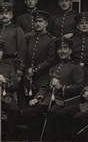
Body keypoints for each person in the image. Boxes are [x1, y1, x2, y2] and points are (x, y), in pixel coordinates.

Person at [23, 10, 56, 140]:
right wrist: (27, 73)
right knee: (29, 110)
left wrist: (35, 70)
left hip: (43, 79)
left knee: (39, 111)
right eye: (36, 21)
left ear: (46, 23)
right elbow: (26, 58)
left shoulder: (51, 40)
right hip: (30, 81)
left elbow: (51, 60)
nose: (37, 24)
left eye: (40, 21)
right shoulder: (30, 39)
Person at [43, 37, 84, 141]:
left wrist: (60, 88)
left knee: (54, 112)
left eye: (65, 48)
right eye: (60, 49)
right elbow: (47, 87)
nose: (62, 51)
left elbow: (79, 88)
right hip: (54, 100)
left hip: (70, 102)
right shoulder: (54, 68)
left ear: (70, 51)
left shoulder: (76, 67)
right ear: (57, 51)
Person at [0, 2, 27, 76]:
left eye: (6, 13)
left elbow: (22, 50)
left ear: (11, 16)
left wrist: (19, 69)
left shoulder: (17, 30)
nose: (4, 16)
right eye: (1, 14)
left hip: (12, 63)